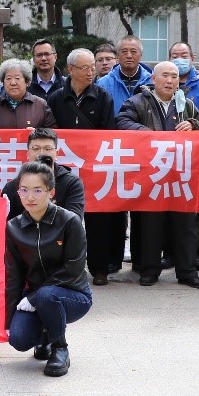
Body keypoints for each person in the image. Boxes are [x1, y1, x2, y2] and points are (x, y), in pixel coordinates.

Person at [115, 61, 199, 289]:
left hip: (181, 173)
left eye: (174, 76)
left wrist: (193, 125)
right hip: (151, 173)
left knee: (185, 224)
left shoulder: (185, 103)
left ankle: (187, 272)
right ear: (153, 79)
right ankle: (149, 270)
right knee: (151, 224)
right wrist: (148, 134)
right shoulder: (138, 101)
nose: (170, 80)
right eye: (165, 75)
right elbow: (122, 122)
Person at [5, 161, 94, 377]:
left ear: (51, 192)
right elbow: (14, 275)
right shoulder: (13, 227)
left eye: (37, 190)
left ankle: (60, 348)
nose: (30, 197)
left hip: (73, 294)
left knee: (47, 295)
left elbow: (73, 269)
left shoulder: (69, 222)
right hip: (36, 296)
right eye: (24, 190)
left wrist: (34, 297)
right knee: (18, 339)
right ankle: (44, 334)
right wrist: (8, 319)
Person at [46, 49, 116, 284]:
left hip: (95, 167)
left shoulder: (103, 97)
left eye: (92, 68)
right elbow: (51, 132)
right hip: (64, 169)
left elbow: (108, 133)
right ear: (70, 70)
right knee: (63, 218)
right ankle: (63, 268)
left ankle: (99, 268)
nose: (90, 72)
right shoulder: (56, 97)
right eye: (85, 68)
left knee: (98, 220)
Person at [96, 35, 153, 274]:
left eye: (133, 51)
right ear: (118, 56)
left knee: (143, 208)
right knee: (115, 208)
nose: (129, 55)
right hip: (114, 153)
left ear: (141, 54)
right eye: (124, 51)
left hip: (147, 154)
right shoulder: (103, 83)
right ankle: (113, 258)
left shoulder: (153, 80)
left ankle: (141, 259)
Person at [168, 41, 199, 268]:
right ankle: (169, 253)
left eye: (183, 55)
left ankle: (195, 253)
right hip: (164, 156)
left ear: (192, 58)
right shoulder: (157, 84)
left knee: (193, 206)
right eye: (174, 55)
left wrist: (194, 124)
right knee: (166, 204)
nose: (179, 59)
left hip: (194, 155)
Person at [1, 128, 85, 219]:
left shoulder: (71, 183)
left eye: (47, 149)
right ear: (27, 153)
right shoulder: (12, 187)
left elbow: (74, 221)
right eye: (35, 149)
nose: (41, 153)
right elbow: (6, 224)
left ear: (56, 154)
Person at [0, 59, 57, 129]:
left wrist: (36, 133)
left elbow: (53, 133)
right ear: (3, 82)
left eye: (17, 78)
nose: (13, 83)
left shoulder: (40, 105)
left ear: (27, 81)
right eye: (8, 78)